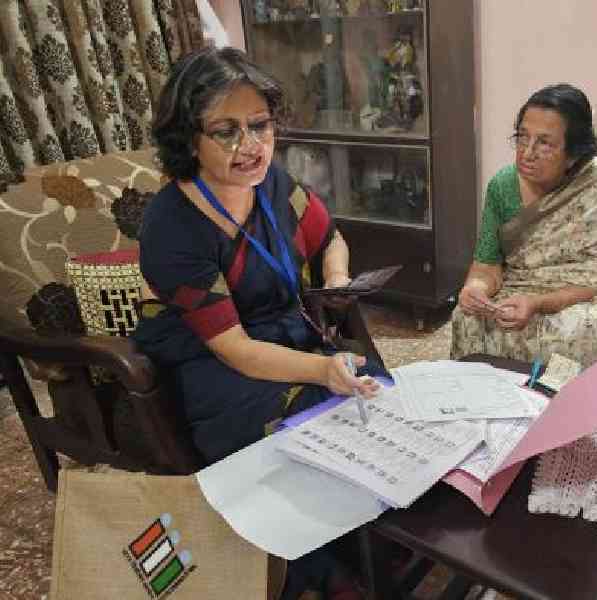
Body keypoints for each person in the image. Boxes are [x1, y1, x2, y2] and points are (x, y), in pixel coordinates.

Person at [132, 47, 383, 600]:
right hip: (215, 359)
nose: (250, 145)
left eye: (260, 125)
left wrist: (336, 281)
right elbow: (236, 351)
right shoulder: (172, 225)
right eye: (225, 130)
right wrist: (322, 369)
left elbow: (330, 237)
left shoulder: (274, 186)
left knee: (378, 399)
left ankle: (375, 539)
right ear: (187, 138)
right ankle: (316, 569)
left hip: (284, 331)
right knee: (299, 429)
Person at [451, 83, 597, 365]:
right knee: (468, 318)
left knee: (575, 329)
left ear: (574, 153)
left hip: (590, 296)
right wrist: (475, 289)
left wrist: (538, 303)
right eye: (522, 138)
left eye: (544, 143)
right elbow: (487, 264)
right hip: (524, 284)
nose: (527, 153)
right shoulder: (503, 186)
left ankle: (570, 407)